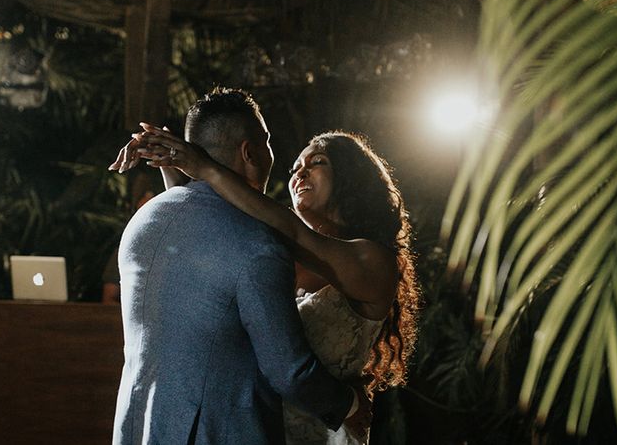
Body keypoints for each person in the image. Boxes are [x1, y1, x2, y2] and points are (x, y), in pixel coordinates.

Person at [111, 116, 419, 444]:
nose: (300, 172)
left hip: (326, 426)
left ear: (352, 178)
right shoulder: (275, 251)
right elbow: (214, 226)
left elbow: (292, 232)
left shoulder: (372, 259)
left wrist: (206, 168)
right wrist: (168, 159)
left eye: (318, 162)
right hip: (261, 425)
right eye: (296, 167)